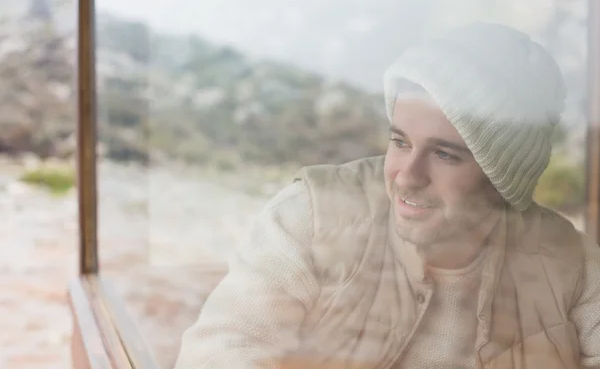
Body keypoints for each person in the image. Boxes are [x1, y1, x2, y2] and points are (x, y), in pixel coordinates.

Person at [174, 22, 600, 369]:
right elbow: (224, 349)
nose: (407, 176)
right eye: (400, 142)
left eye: (445, 154)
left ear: (502, 174)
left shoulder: (571, 262)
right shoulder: (313, 216)